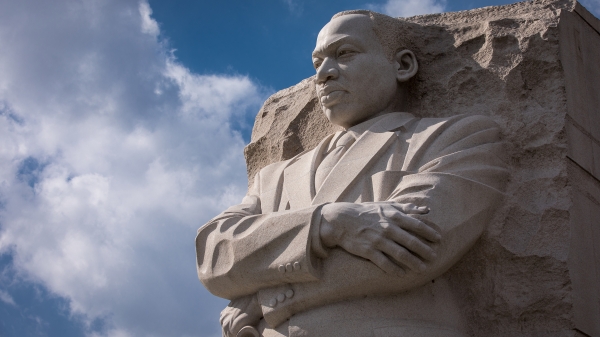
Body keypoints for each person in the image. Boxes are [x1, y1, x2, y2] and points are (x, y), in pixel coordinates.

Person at [196, 10, 508, 337]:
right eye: (317, 63)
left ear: (402, 65)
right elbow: (214, 255)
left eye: (344, 54)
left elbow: (414, 248)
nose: (324, 74)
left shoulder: (455, 139)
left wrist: (264, 296)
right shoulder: (275, 178)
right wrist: (329, 223)